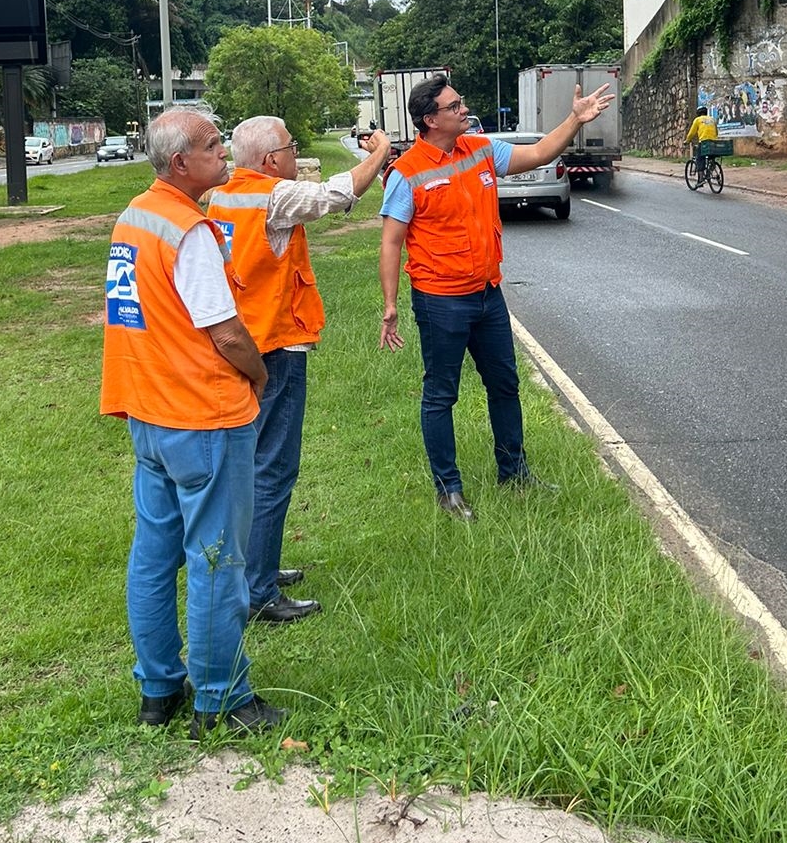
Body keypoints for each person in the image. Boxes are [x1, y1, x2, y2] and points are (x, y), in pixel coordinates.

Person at [102, 108, 282, 739]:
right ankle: (221, 696)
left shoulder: (133, 217)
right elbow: (227, 332)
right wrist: (259, 376)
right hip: (202, 418)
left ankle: (158, 688)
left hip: (147, 413)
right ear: (181, 163)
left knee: (153, 555)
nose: (224, 156)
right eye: (213, 147)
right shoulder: (191, 231)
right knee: (215, 560)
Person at [378, 75, 607, 519]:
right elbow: (391, 242)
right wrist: (390, 305)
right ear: (430, 120)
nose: (464, 109)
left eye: (461, 102)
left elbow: (539, 153)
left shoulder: (480, 148)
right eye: (454, 105)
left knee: (505, 385)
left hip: (487, 294)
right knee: (441, 394)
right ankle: (449, 489)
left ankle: (514, 473)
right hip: (440, 300)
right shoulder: (406, 173)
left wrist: (574, 121)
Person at [207, 117, 396, 626]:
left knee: (249, 466)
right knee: (273, 469)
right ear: (271, 160)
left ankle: (255, 569)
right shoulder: (274, 197)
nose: (296, 156)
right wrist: (380, 154)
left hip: (241, 344)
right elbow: (335, 194)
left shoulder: (224, 193)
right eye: (291, 148)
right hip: (275, 345)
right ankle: (258, 592)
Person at [685, 104, 720, 171]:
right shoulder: (712, 119)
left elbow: (692, 133)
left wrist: (687, 140)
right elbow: (716, 132)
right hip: (713, 143)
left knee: (700, 158)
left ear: (698, 113)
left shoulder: (697, 120)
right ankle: (711, 165)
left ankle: (701, 178)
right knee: (710, 155)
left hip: (704, 142)